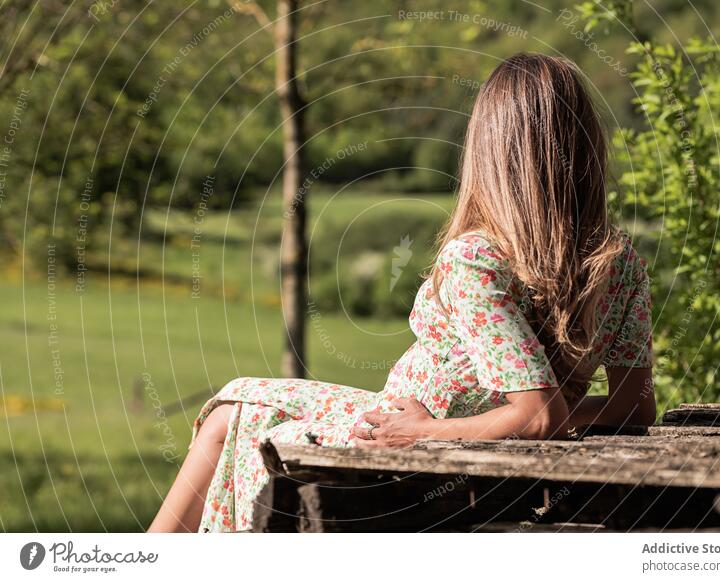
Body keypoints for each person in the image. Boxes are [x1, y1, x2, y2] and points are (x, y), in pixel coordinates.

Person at [148, 53, 655, 533]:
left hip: (411, 453)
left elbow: (538, 415)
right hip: (436, 438)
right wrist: (557, 418)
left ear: (492, 151)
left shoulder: (479, 258)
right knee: (237, 400)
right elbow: (633, 407)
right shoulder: (620, 262)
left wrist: (423, 433)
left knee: (229, 423)